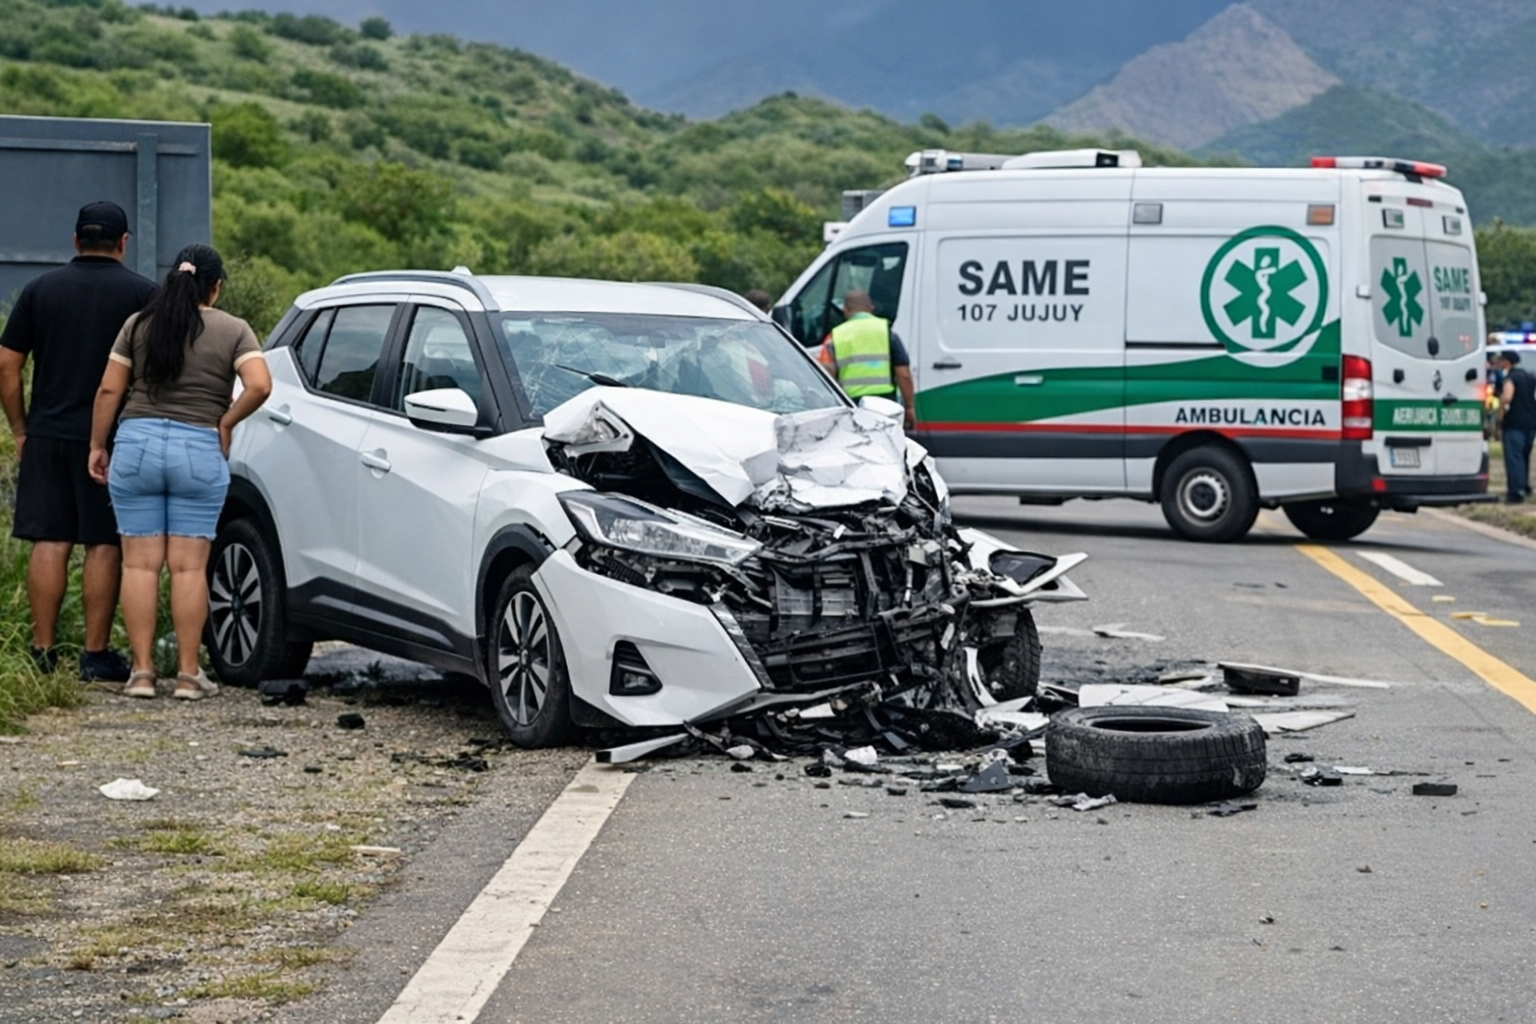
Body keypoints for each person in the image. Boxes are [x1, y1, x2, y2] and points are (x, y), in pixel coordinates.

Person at [87, 244, 272, 699]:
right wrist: (226, 422)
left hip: (137, 446)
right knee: (189, 568)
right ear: (215, 287)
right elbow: (260, 385)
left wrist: (97, 444)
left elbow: (109, 390)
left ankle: (142, 674)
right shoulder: (233, 329)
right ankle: (189, 675)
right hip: (198, 449)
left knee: (139, 564)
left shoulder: (138, 324)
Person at [0, 201, 156, 681]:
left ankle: (42, 652)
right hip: (112, 438)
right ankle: (95, 655)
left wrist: (21, 428)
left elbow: (7, 365)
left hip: (47, 433)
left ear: (75, 240)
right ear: (123, 242)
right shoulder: (144, 295)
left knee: (49, 539)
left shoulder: (40, 290)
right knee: (103, 542)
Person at [817, 290, 916, 428]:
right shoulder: (886, 331)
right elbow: (903, 374)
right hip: (885, 403)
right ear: (871, 308)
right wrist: (909, 407)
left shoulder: (835, 336)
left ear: (845, 310)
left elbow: (825, 377)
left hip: (851, 405)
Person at [1497, 350, 1536, 503]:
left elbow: (1507, 397)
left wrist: (1500, 414)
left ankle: (1515, 492)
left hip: (1514, 423)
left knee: (1514, 458)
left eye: (1501, 360)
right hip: (1531, 423)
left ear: (1506, 362)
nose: (1499, 363)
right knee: (1525, 457)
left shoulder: (1511, 378)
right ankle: (1525, 486)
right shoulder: (1530, 377)